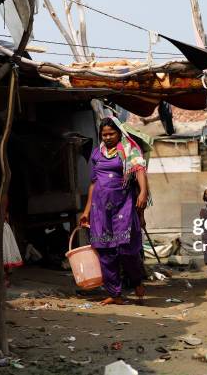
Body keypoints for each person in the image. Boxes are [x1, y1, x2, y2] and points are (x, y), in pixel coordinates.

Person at [80, 117, 149, 305]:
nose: (108, 137)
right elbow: (93, 184)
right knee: (105, 251)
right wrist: (86, 211)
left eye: (111, 133)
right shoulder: (97, 154)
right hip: (100, 209)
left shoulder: (128, 150)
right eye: (104, 134)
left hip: (123, 205)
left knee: (126, 249)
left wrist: (143, 192)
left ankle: (136, 281)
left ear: (119, 133)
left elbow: (139, 171)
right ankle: (115, 294)